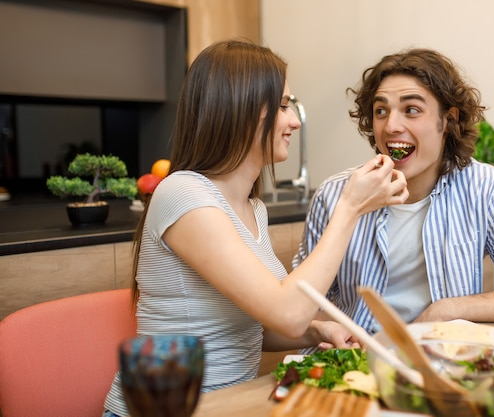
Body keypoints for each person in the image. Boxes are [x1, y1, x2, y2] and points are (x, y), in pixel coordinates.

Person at [102, 40, 408, 417]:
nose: (293, 121)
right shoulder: (182, 193)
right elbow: (287, 312)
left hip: (229, 405)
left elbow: (257, 325)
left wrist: (316, 331)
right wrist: (350, 209)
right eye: (283, 106)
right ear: (239, 109)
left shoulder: (253, 209)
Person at [293, 48, 494, 339]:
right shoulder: (334, 195)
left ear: (447, 119)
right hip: (355, 366)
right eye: (381, 111)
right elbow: (297, 308)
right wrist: (324, 331)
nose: (391, 126)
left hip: (443, 363)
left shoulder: (484, 188)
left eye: (411, 110)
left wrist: (449, 309)